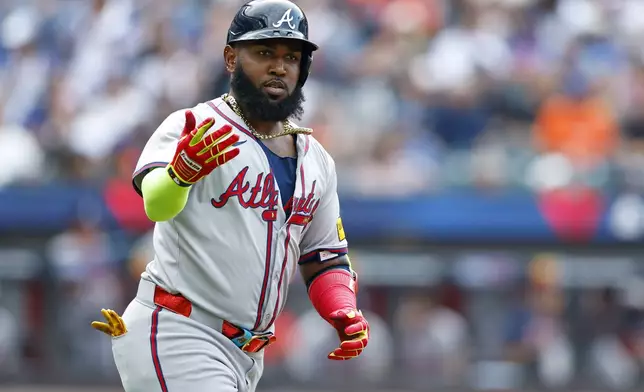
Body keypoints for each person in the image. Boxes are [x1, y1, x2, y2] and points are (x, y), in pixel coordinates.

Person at [89, 1, 369, 391]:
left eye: (292, 56)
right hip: (179, 330)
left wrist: (341, 306)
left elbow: (323, 257)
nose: (279, 66)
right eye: (264, 52)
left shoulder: (317, 160)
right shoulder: (195, 125)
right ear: (231, 58)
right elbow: (155, 203)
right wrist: (179, 175)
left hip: (247, 353)